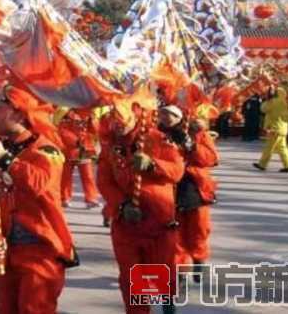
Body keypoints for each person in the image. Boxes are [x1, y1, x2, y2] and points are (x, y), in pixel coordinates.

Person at [0, 83, 78, 314]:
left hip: (41, 250)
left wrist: (5, 159)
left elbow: (40, 184)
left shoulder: (45, 150)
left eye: (0, 104)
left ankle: (168, 300)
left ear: (19, 112)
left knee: (34, 309)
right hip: (10, 249)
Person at [97, 100, 185, 314]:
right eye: (113, 123)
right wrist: (122, 205)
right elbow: (104, 182)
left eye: (122, 122)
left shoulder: (155, 138)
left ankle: (167, 304)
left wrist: (153, 165)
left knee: (161, 273)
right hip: (126, 224)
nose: (118, 127)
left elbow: (177, 170)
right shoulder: (109, 148)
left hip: (158, 222)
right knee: (130, 278)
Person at [157, 106, 218, 283]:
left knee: (199, 228)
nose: (167, 118)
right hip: (169, 186)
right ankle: (181, 269)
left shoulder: (195, 132)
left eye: (172, 115)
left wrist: (192, 146)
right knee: (176, 232)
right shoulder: (155, 134)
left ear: (180, 116)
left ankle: (199, 258)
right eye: (163, 114)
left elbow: (211, 159)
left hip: (194, 186)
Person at [57, 107, 100, 208]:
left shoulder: (90, 114)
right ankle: (64, 197)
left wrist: (93, 120)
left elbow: (96, 131)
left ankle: (91, 198)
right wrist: (74, 140)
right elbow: (62, 130)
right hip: (69, 149)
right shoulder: (66, 113)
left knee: (88, 175)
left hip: (85, 148)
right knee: (66, 176)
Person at [253, 88, 288, 173]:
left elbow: (263, 109)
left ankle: (262, 164)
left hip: (274, 128)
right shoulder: (286, 102)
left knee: (269, 148)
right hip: (283, 128)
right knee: (282, 148)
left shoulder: (273, 101)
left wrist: (267, 100)